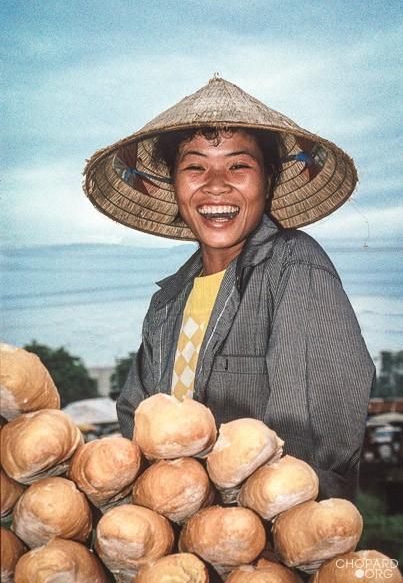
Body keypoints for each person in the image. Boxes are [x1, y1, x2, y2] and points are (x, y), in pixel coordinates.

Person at [83, 76, 375, 501]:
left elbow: (311, 444)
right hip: (178, 543)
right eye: (195, 167)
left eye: (239, 166)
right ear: (174, 184)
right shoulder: (167, 303)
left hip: (269, 545)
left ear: (269, 180)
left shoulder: (294, 266)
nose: (215, 185)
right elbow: (137, 418)